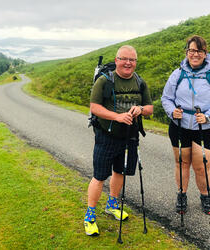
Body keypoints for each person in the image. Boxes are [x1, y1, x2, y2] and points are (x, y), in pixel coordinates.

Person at [84, 45, 153, 236]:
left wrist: (140, 110)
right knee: (99, 176)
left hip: (130, 136)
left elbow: (149, 108)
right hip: (106, 135)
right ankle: (89, 216)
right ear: (116, 60)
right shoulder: (105, 81)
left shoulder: (140, 82)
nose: (128, 63)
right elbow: (94, 107)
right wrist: (117, 117)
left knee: (120, 171)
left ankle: (112, 204)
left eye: (132, 60)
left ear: (135, 62)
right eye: (124, 59)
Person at [161, 35, 210, 215]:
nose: (195, 54)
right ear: (187, 52)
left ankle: (205, 196)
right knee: (182, 163)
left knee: (201, 167)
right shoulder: (178, 73)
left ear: (205, 54)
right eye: (192, 50)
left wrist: (208, 116)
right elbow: (166, 98)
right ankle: (181, 194)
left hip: (205, 128)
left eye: (199, 51)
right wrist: (172, 111)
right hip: (179, 126)